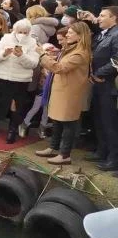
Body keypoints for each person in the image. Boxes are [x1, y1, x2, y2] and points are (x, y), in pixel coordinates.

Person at [34, 22, 92, 165]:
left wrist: (42, 54)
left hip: (70, 92)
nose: (68, 35)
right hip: (62, 91)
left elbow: (59, 68)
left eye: (71, 33)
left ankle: (65, 154)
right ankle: (53, 147)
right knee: (58, 121)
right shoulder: (70, 49)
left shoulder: (80, 53)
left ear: (80, 35)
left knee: (68, 124)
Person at [0, 19, 41, 143]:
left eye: (25, 32)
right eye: (20, 31)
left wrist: (21, 56)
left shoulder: (32, 42)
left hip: (20, 80)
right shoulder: (6, 38)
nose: (22, 34)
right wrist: (4, 53)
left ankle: (12, 131)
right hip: (2, 76)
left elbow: (33, 63)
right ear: (14, 30)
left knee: (16, 106)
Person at [91, 7, 118, 172]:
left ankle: (113, 158)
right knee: (99, 119)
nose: (98, 18)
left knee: (109, 122)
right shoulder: (104, 34)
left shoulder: (116, 35)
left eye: (102, 16)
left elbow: (116, 60)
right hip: (98, 83)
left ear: (114, 18)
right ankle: (101, 151)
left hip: (108, 84)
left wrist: (99, 73)